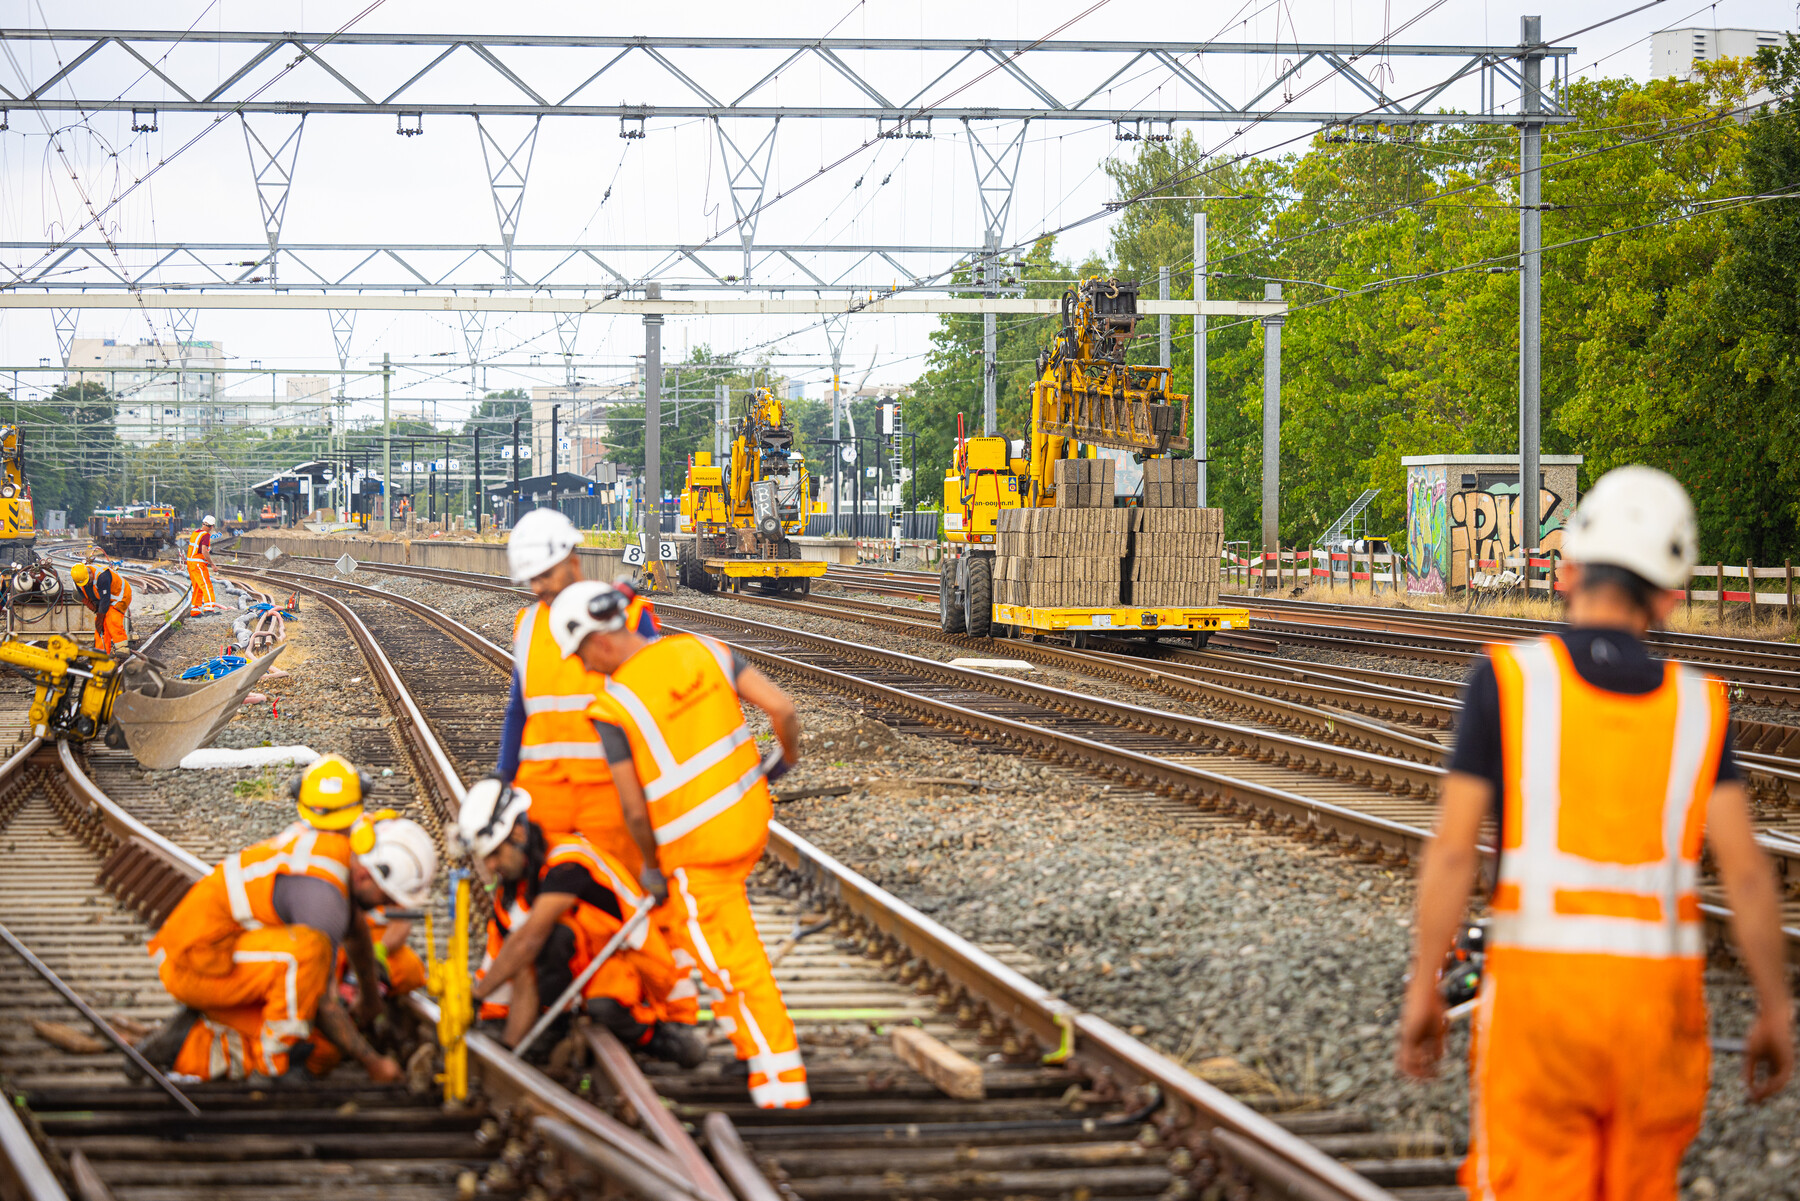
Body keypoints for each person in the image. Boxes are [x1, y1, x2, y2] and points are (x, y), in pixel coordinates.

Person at [1397, 466, 1794, 1200]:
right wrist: (1775, 1006)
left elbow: (1453, 849)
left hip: (1542, 1017)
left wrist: (1425, 985)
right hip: (1658, 1027)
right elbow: (1745, 873)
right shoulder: (1700, 706)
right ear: (1672, 593)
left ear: (1568, 569)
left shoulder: (1509, 681)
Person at [552, 580, 811, 1109]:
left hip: (696, 850)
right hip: (749, 823)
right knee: (720, 944)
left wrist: (650, 866)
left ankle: (782, 1087)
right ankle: (750, 1054)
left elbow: (632, 810)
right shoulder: (703, 649)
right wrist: (779, 765)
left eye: (579, 654)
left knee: (730, 964)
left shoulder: (613, 707)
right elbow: (782, 710)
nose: (583, 667)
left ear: (598, 640)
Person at [136, 757, 436, 1085]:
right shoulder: (323, 897)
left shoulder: (340, 854)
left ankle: (205, 1027)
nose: (389, 907)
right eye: (389, 898)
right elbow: (323, 1001)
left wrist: (370, 997)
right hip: (197, 965)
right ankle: (264, 1063)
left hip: (232, 957)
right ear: (366, 875)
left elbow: (357, 933)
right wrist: (372, 1062)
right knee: (307, 961)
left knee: (324, 1051)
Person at [456, 777, 704, 1065]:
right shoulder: (516, 891)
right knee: (542, 948)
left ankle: (659, 1037)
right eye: (485, 857)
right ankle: (554, 1031)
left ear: (520, 834)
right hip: (591, 970)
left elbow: (529, 940)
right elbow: (520, 965)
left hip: (642, 973)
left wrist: (476, 994)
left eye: (495, 853)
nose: (490, 866)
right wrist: (508, 1052)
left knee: (592, 990)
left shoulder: (569, 862)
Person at [70, 562, 133, 654]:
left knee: (112, 618)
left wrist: (100, 616)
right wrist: (93, 608)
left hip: (120, 597)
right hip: (103, 599)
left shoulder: (102, 576)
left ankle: (122, 648)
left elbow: (105, 599)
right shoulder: (79, 580)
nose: (87, 584)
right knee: (101, 627)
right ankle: (101, 653)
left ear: (89, 573)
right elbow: (83, 596)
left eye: (88, 581)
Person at [186, 515, 219, 616]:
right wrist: (212, 564)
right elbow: (204, 551)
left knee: (197, 586)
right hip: (198, 564)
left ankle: (195, 610)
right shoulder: (206, 535)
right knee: (206, 585)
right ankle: (209, 608)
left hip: (191, 564)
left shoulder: (195, 533)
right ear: (211, 526)